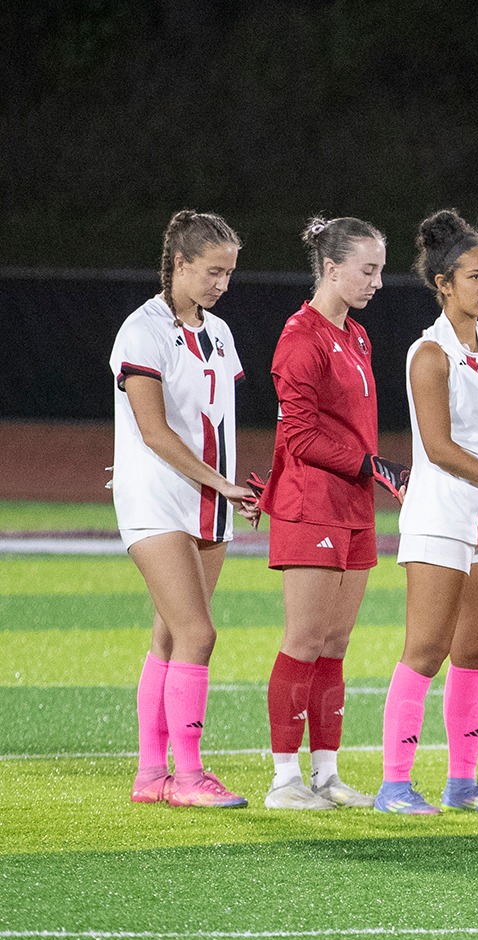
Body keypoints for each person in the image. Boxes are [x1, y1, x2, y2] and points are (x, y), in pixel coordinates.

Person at [373, 209, 478, 814]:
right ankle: (394, 784)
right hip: (441, 514)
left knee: (476, 654)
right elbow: (440, 449)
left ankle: (462, 783)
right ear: (443, 283)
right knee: (425, 650)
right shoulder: (429, 353)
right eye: (474, 276)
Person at [113, 210, 256, 808]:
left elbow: (216, 422)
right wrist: (222, 485)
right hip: (156, 496)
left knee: (171, 636)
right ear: (179, 264)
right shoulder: (141, 330)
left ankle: (152, 776)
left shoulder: (218, 332)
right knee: (199, 633)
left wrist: (234, 488)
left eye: (228, 274)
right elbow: (154, 431)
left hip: (206, 501)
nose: (220, 284)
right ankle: (190, 777)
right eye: (211, 272)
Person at [259, 215, 402, 810]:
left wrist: (367, 473)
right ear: (331, 267)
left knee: (336, 641)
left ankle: (326, 773)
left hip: (351, 505)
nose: (375, 282)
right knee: (305, 637)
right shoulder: (300, 338)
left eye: (380, 270)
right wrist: (373, 466)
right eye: (366, 270)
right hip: (311, 504)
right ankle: (283, 780)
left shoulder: (357, 335)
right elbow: (300, 437)